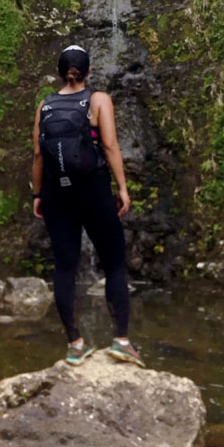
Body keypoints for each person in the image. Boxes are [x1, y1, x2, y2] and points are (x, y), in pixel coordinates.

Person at [32, 44, 143, 366]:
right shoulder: (98, 99)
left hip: (56, 194)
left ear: (60, 72)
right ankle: (121, 341)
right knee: (114, 263)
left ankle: (75, 345)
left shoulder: (46, 105)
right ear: (89, 70)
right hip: (92, 190)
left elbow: (39, 154)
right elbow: (108, 145)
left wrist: (38, 194)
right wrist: (122, 187)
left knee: (65, 267)